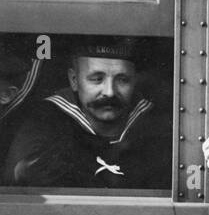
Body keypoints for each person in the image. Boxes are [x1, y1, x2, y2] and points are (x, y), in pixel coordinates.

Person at [2, 38, 170, 189]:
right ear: (74, 80)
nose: (109, 92)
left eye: (122, 80)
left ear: (134, 82)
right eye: (97, 79)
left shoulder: (154, 125)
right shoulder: (45, 121)